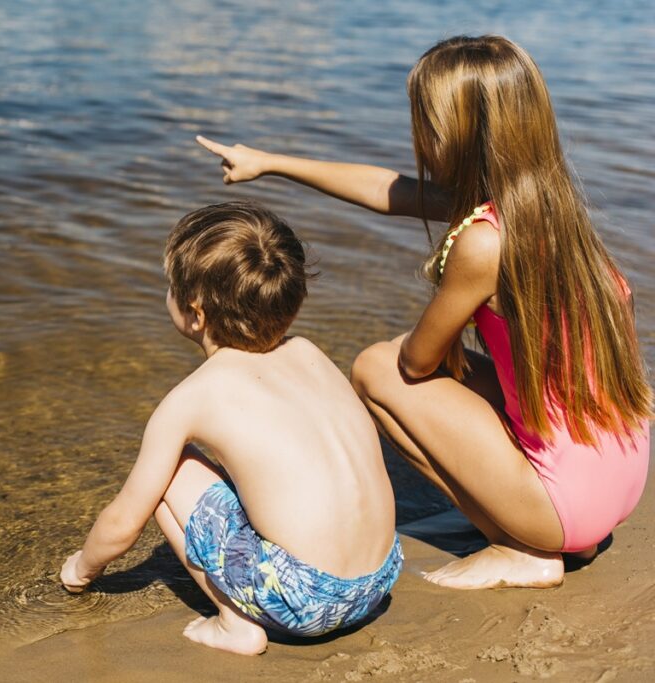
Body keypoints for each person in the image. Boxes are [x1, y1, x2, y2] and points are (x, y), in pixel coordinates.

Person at [196, 35, 651, 590]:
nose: (419, 137)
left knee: (376, 367)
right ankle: (544, 524)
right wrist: (269, 163)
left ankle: (520, 547)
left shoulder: (483, 242)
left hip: (567, 502)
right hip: (619, 475)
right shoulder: (549, 209)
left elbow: (415, 363)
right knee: (444, 371)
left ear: (459, 134)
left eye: (425, 122)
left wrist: (443, 326)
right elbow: (391, 190)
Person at [59, 202, 402, 655]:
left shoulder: (192, 397)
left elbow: (124, 523)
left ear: (195, 314)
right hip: (379, 580)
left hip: (307, 601)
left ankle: (235, 624)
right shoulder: (310, 353)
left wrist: (80, 569)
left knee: (170, 472)